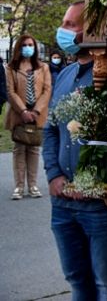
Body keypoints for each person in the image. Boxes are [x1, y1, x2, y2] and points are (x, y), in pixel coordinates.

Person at [44, 0, 107, 300]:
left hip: (102, 203)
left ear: (94, 30)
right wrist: (53, 176)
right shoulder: (64, 75)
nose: (63, 30)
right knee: (76, 279)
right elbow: (50, 129)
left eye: (71, 25)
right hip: (63, 201)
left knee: (106, 284)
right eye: (64, 23)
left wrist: (95, 183)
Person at [5, 34, 51, 199]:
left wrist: (36, 111)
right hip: (19, 114)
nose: (28, 48)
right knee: (19, 149)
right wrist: (23, 111)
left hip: (37, 114)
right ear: (19, 47)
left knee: (33, 149)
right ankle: (19, 187)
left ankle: (32, 185)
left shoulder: (42, 67)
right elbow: (10, 92)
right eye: (24, 45)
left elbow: (47, 90)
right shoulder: (11, 68)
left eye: (31, 44)